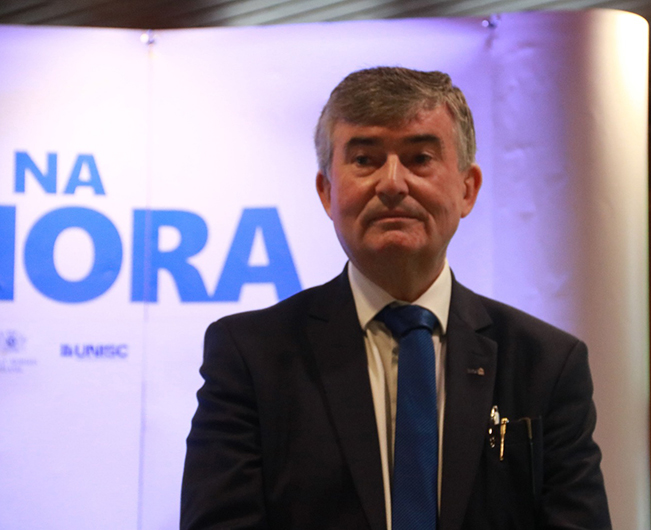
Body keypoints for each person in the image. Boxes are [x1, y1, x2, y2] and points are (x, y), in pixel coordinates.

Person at [181, 66, 611, 530]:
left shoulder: (546, 364)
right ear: (327, 192)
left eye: (419, 158)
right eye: (364, 159)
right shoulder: (251, 356)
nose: (391, 183)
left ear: (467, 189)